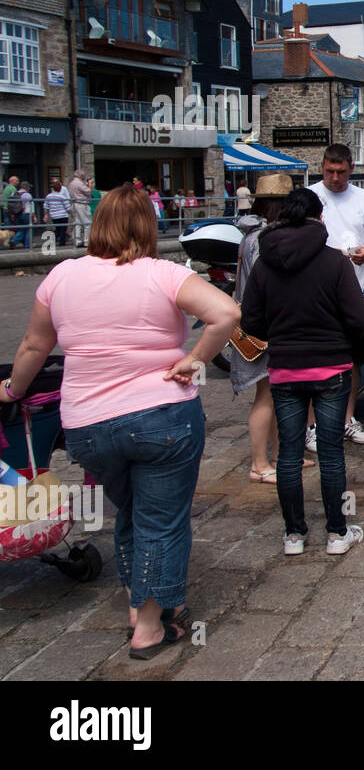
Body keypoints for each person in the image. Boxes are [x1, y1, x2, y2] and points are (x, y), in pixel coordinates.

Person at [0, 185, 239, 657]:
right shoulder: (164, 273)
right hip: (161, 417)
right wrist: (194, 359)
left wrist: (11, 390)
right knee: (162, 519)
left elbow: (33, 346)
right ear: (147, 226)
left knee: (130, 511)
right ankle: (150, 627)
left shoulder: (61, 276)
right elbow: (227, 312)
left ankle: (136, 599)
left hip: (88, 424)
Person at [240, 188, 364, 556]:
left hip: (285, 368)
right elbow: (360, 318)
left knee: (288, 455)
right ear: (319, 219)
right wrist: (345, 343)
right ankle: (336, 533)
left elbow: (250, 319)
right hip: (330, 368)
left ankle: (294, 535)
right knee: (331, 453)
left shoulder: (266, 263)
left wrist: (280, 335)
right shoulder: (334, 262)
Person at [226, 174, 317, 484]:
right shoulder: (262, 239)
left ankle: (280, 455)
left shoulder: (254, 234)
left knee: (278, 394)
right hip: (262, 327)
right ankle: (259, 464)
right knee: (265, 395)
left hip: (264, 324)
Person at [307, 143, 364, 447]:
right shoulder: (311, 196)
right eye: (329, 171)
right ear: (322, 167)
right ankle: (313, 425)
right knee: (317, 359)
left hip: (357, 289)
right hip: (318, 291)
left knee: (353, 359)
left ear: (351, 168)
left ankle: (348, 418)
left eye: (340, 171)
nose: (334, 177)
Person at [68, 170, 93, 247]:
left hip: (75, 203)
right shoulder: (79, 183)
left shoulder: (71, 183)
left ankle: (77, 240)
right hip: (82, 204)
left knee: (77, 223)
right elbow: (88, 192)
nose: (84, 177)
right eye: (84, 175)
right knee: (87, 223)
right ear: (80, 176)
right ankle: (86, 241)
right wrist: (90, 185)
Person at [44, 179, 71, 247]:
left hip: (54, 216)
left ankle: (50, 242)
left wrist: (46, 214)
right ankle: (62, 243)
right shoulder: (62, 197)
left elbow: (46, 206)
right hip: (63, 215)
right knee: (63, 230)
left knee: (58, 229)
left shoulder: (48, 196)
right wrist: (71, 214)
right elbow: (67, 207)